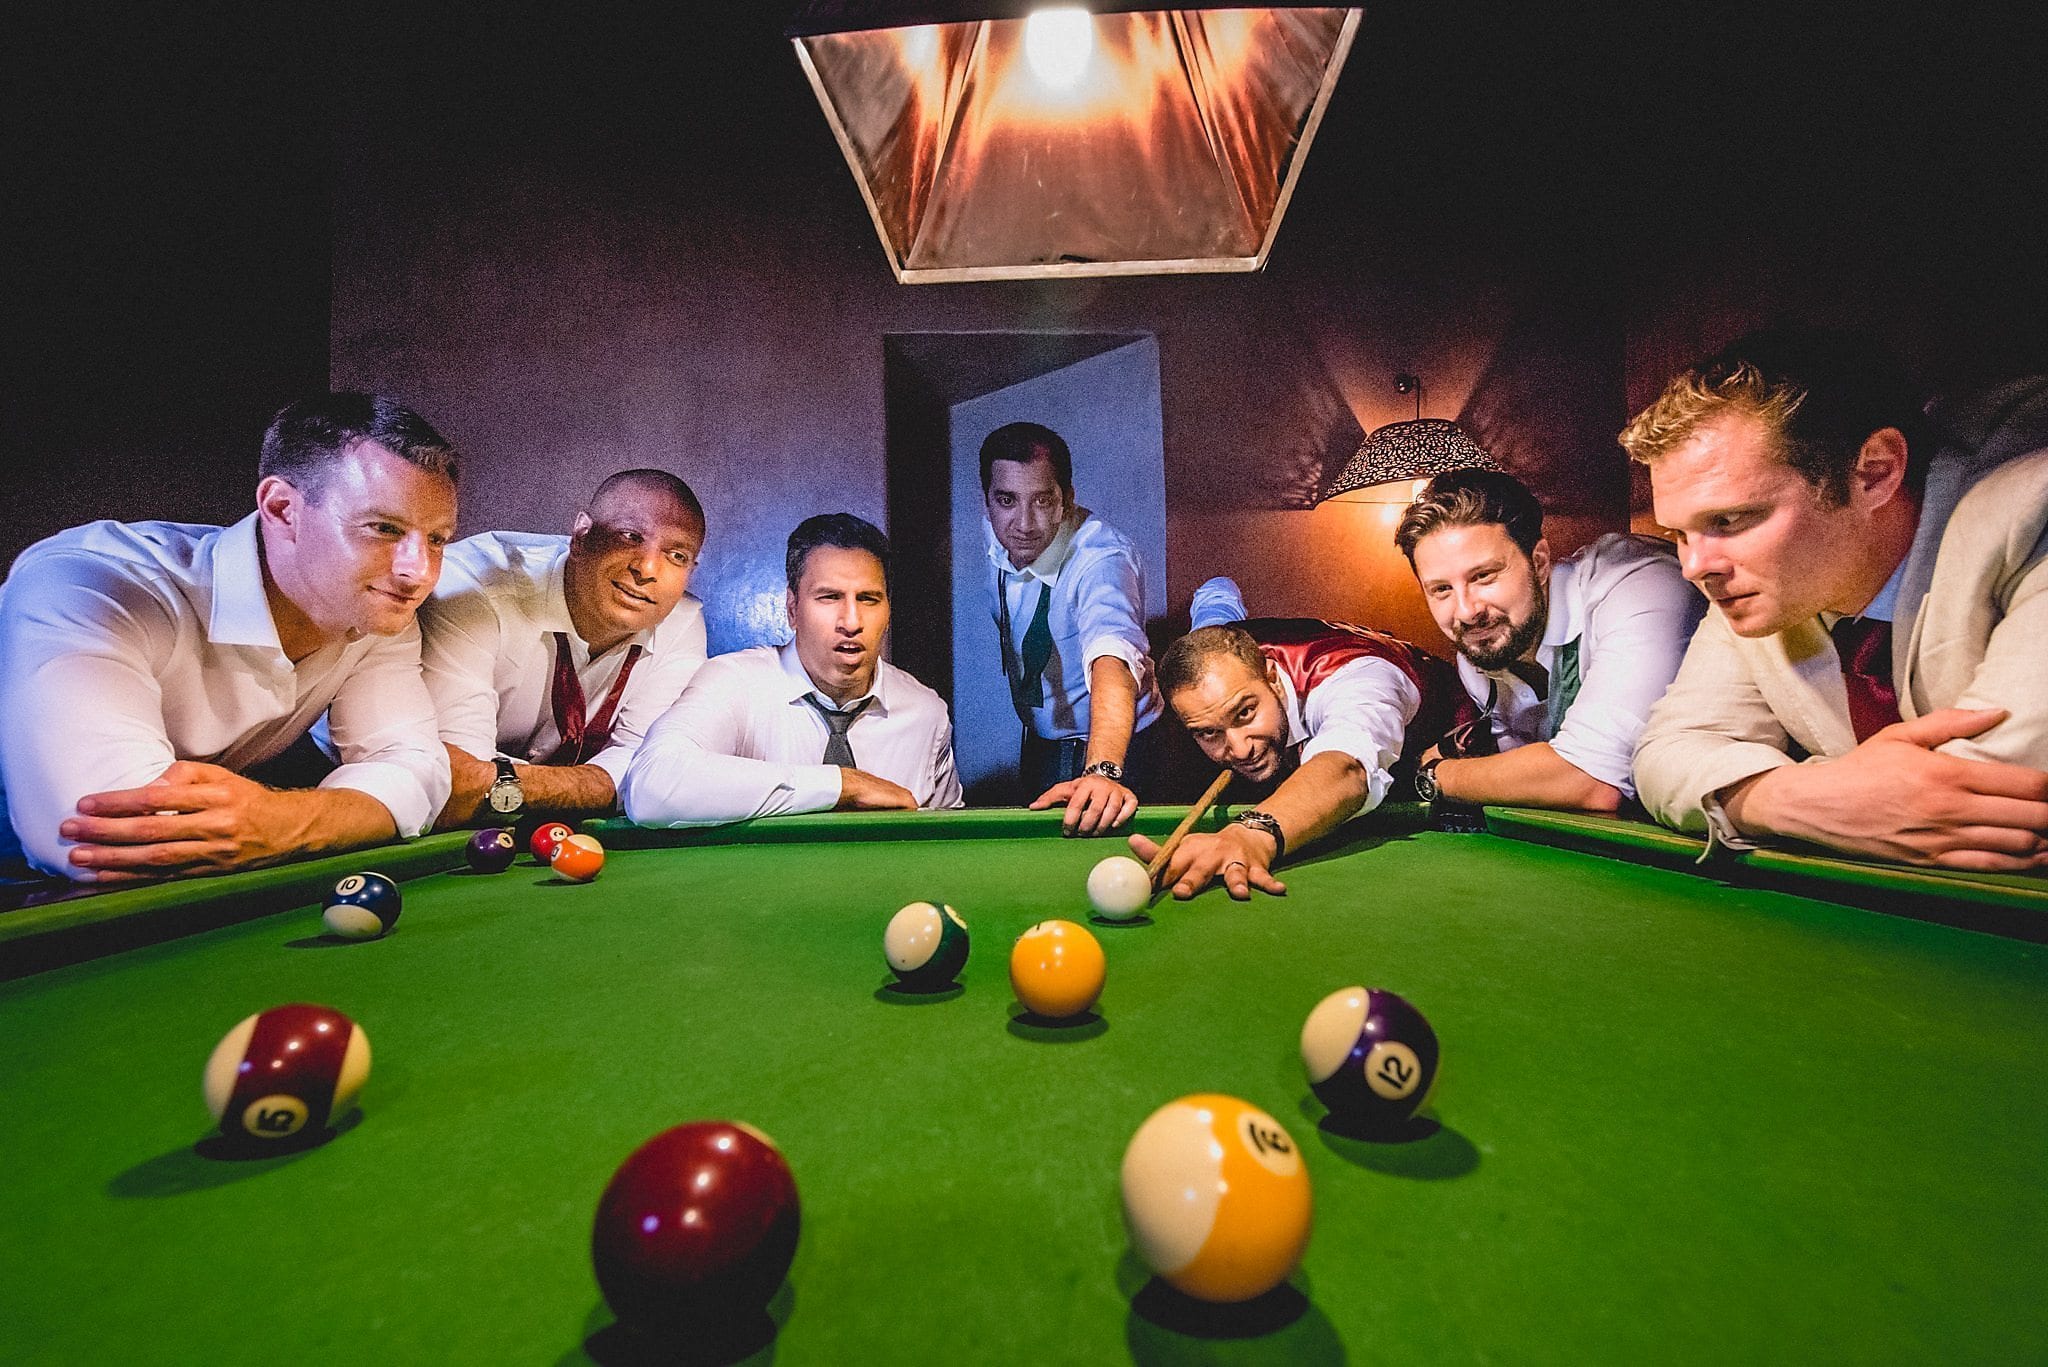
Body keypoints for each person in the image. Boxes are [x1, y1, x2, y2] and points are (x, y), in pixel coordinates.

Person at [1625, 329, 2048, 870]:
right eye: (1680, 534)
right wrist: (1792, 799)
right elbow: (1664, 754)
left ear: (1874, 473)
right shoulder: (1756, 585)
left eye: (1727, 520)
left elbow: (2004, 794)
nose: (1694, 567)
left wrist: (1754, 790)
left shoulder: (2030, 510)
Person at [0, 393, 458, 883]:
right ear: (282, 509)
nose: (419, 572)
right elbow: (98, 835)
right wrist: (325, 815)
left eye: (437, 539)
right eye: (384, 528)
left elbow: (416, 771)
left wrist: (288, 820)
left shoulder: (373, 610)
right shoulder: (87, 585)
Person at [620, 513, 963, 826]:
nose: (852, 622)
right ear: (792, 609)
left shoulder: (925, 713)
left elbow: (948, 844)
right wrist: (841, 785)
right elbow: (650, 789)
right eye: (829, 597)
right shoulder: (734, 683)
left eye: (868, 599)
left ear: (887, 612)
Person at [1133, 584, 1470, 899]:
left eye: (1245, 713)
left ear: (1272, 677)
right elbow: (1216, 592)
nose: (1238, 749)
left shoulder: (1357, 679)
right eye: (1209, 733)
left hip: (1458, 741)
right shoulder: (1213, 653)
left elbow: (1348, 767)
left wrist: (1249, 834)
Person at [1395, 467, 1703, 813]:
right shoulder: (1481, 647)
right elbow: (1531, 786)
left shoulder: (1637, 583)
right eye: (1441, 590)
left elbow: (1591, 781)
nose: (1466, 612)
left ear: (1539, 563)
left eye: (1483, 576)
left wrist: (1435, 772)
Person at [421, 470, 709, 830]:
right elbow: (453, 779)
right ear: (581, 534)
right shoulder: (472, 590)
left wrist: (505, 783)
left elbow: (652, 767)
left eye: (676, 555)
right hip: (365, 793)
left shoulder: (681, 622)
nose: (647, 569)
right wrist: (598, 784)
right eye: (631, 536)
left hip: (519, 822)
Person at [978, 421, 1162, 834]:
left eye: (1042, 501)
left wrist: (1101, 770)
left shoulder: (1102, 560)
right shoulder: (998, 534)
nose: (1023, 523)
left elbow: (1112, 657)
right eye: (1006, 500)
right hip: (1041, 739)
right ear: (987, 501)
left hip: (1119, 747)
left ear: (1067, 499)